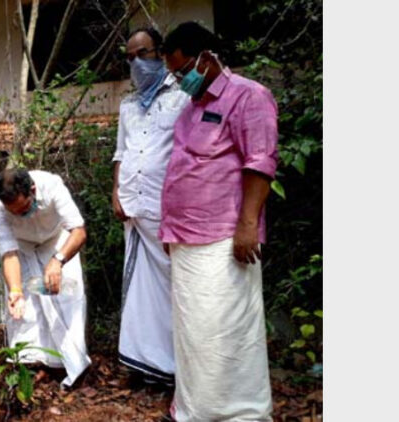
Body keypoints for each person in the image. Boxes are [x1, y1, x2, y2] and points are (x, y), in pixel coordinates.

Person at [159, 22, 278, 421]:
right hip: (185, 238)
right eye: (174, 74)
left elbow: (259, 163)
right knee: (194, 334)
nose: (179, 80)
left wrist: (247, 225)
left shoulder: (249, 96)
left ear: (206, 58)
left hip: (223, 238)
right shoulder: (191, 109)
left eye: (182, 70)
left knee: (227, 332)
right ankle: (197, 409)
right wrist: (169, 229)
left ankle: (240, 413)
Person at [112, 27, 189, 390]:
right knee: (141, 289)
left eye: (141, 53)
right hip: (134, 207)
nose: (136, 63)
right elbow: (120, 153)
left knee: (175, 287)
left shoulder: (183, 97)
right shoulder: (127, 105)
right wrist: (116, 192)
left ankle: (177, 367)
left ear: (160, 51)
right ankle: (144, 362)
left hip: (169, 209)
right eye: (129, 57)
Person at [0, 169, 90, 387]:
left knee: (67, 300)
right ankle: (32, 366)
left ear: (32, 190)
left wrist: (59, 260)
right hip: (22, 249)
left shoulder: (52, 185)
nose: (20, 215)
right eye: (13, 212)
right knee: (26, 310)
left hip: (58, 242)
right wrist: (15, 290)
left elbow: (79, 231)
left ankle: (72, 364)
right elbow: (9, 252)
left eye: (24, 209)